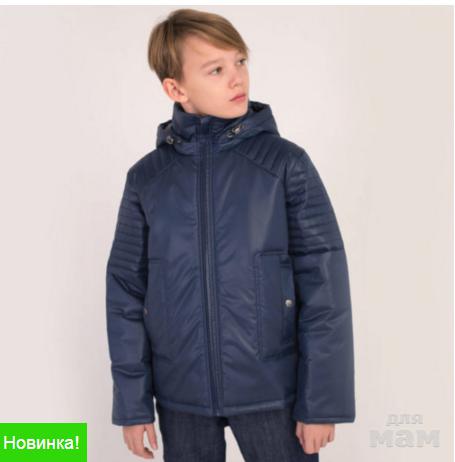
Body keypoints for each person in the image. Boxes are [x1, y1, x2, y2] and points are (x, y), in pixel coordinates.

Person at [105, 8, 356, 462]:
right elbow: (125, 292)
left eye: (239, 61)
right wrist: (133, 405)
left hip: (273, 391)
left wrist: (320, 402)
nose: (237, 77)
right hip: (181, 398)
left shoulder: (285, 165)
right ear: (176, 89)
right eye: (216, 69)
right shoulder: (147, 179)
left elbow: (325, 284)